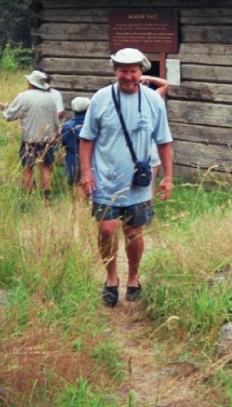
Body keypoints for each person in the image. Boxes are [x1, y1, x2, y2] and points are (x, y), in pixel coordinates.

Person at [80, 48, 173, 307]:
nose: (128, 76)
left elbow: (164, 141)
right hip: (105, 180)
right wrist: (86, 173)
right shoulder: (101, 98)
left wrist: (168, 177)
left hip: (138, 182)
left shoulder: (154, 101)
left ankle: (133, 277)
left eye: (133, 71)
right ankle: (111, 278)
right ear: (115, 71)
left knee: (134, 231)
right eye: (122, 70)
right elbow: (86, 138)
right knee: (107, 229)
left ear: (142, 71)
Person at [0, 70, 60, 203]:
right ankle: (46, 197)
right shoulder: (50, 98)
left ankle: (27, 197)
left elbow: (10, 116)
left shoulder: (24, 96)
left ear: (31, 83)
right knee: (46, 167)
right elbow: (56, 121)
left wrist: (4, 108)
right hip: (47, 139)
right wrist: (55, 136)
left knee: (28, 168)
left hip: (30, 139)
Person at [140, 74, 169, 200]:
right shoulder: (154, 97)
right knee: (148, 185)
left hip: (149, 149)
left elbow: (165, 84)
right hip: (150, 149)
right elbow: (165, 84)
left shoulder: (153, 98)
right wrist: (147, 78)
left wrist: (144, 77)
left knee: (148, 185)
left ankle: (146, 211)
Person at [61, 96, 90, 203]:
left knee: (77, 184)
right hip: (91, 161)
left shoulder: (68, 126)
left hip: (73, 161)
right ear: (87, 109)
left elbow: (64, 142)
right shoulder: (91, 125)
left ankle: (80, 210)